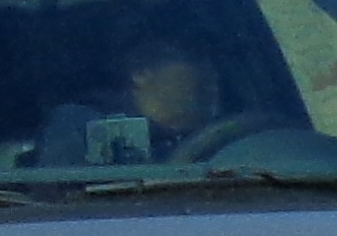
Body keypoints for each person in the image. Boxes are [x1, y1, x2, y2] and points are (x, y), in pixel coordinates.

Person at [37, 36, 227, 167]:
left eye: (213, 62)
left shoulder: (234, 138)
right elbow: (63, 202)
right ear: (141, 73)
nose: (210, 72)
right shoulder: (83, 124)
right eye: (195, 59)